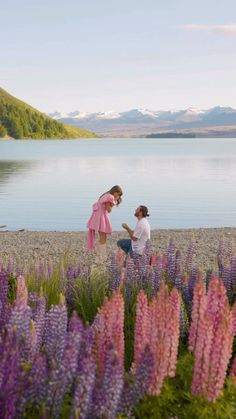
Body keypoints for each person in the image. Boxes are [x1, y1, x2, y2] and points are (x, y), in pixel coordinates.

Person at [86, 185, 123, 263]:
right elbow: (108, 209)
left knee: (102, 237)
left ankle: (99, 257)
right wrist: (114, 201)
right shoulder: (110, 197)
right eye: (118, 194)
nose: (118, 196)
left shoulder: (105, 195)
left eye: (119, 195)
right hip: (101, 217)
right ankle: (102, 257)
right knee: (103, 238)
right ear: (115, 191)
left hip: (97, 216)